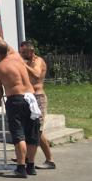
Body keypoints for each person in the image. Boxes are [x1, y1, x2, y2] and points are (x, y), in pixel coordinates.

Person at [0, 39, 42, 178]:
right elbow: (5, 46)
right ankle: (31, 166)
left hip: (16, 100)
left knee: (19, 135)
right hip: (31, 98)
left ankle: (21, 168)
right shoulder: (17, 58)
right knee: (32, 133)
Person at [20, 40, 56, 169]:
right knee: (29, 129)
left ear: (31, 51)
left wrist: (23, 65)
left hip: (39, 98)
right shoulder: (27, 62)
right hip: (29, 97)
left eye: (24, 52)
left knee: (37, 131)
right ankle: (25, 157)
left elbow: (36, 75)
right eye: (21, 52)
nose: (22, 55)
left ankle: (50, 160)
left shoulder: (38, 61)